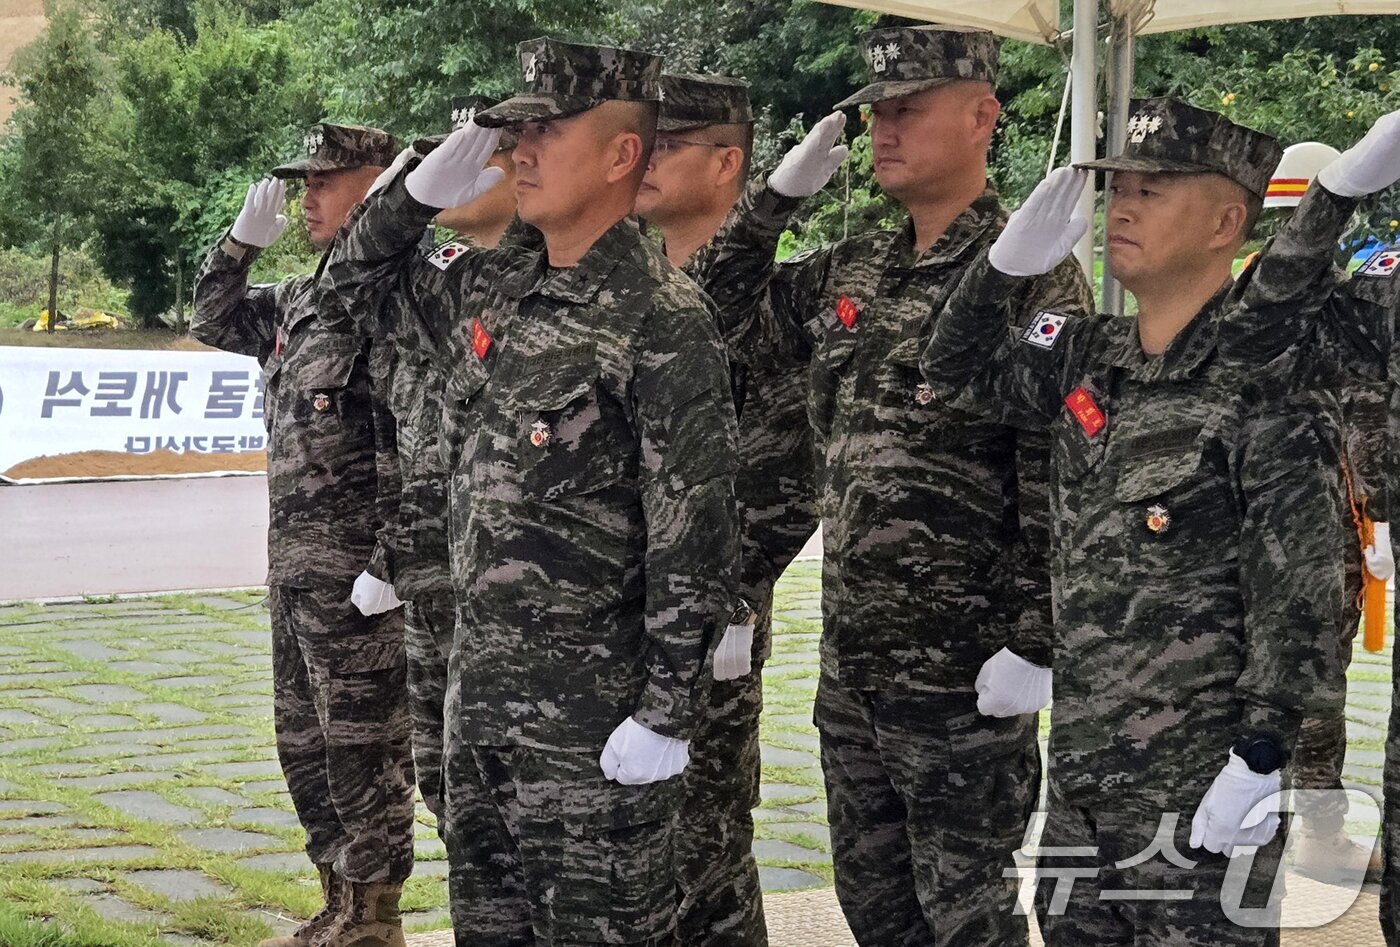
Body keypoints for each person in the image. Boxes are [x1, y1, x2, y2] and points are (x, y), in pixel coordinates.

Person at [321, 38, 741, 946]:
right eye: (516, 132)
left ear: (623, 153)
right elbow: (348, 288)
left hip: (593, 728)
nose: (520, 152)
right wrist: (416, 192)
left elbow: (694, 531)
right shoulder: (492, 290)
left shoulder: (661, 321)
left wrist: (666, 713)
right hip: (481, 710)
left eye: (547, 131)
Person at [689, 24, 1092, 946]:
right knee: (874, 905)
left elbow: (1057, 468)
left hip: (964, 669)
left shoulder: (1032, 275)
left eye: (909, 109)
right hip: (858, 658)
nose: (885, 131)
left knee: (966, 913)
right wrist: (770, 206)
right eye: (877, 113)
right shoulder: (858, 264)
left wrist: (1035, 636)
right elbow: (712, 313)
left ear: (984, 116)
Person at [920, 97, 1349, 945]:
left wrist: (1264, 753)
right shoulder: (1090, 354)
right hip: (1087, 784)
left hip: (1203, 790)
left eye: (1153, 190)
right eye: (1119, 189)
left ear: (1229, 219)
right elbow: (952, 368)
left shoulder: (1263, 380)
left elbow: (1299, 585)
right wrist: (1004, 269)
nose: (1121, 208)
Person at [191, 122, 416, 947]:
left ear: (379, 183)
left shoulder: (391, 304)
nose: (309, 196)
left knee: (365, 749)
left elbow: (415, 442)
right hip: (294, 570)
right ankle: (334, 897)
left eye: (327, 179)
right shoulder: (300, 300)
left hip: (360, 579)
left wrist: (393, 560)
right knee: (303, 744)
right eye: (305, 182)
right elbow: (212, 316)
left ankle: (374, 915)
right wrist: (240, 244)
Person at [1201, 109, 1400, 935]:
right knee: (1302, 679)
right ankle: (1304, 825)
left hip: (1335, 509)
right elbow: (1364, 401)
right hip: (1291, 511)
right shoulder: (1254, 287)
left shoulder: (1350, 281)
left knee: (1314, 678)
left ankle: (1314, 824)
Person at [637, 71, 817, 946]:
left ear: (726, 165)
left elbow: (788, 473)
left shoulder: (771, 306)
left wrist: (735, 595)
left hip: (712, 624)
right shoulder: (626, 288)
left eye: (670, 144)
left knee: (703, 849)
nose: (646, 159)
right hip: (607, 616)